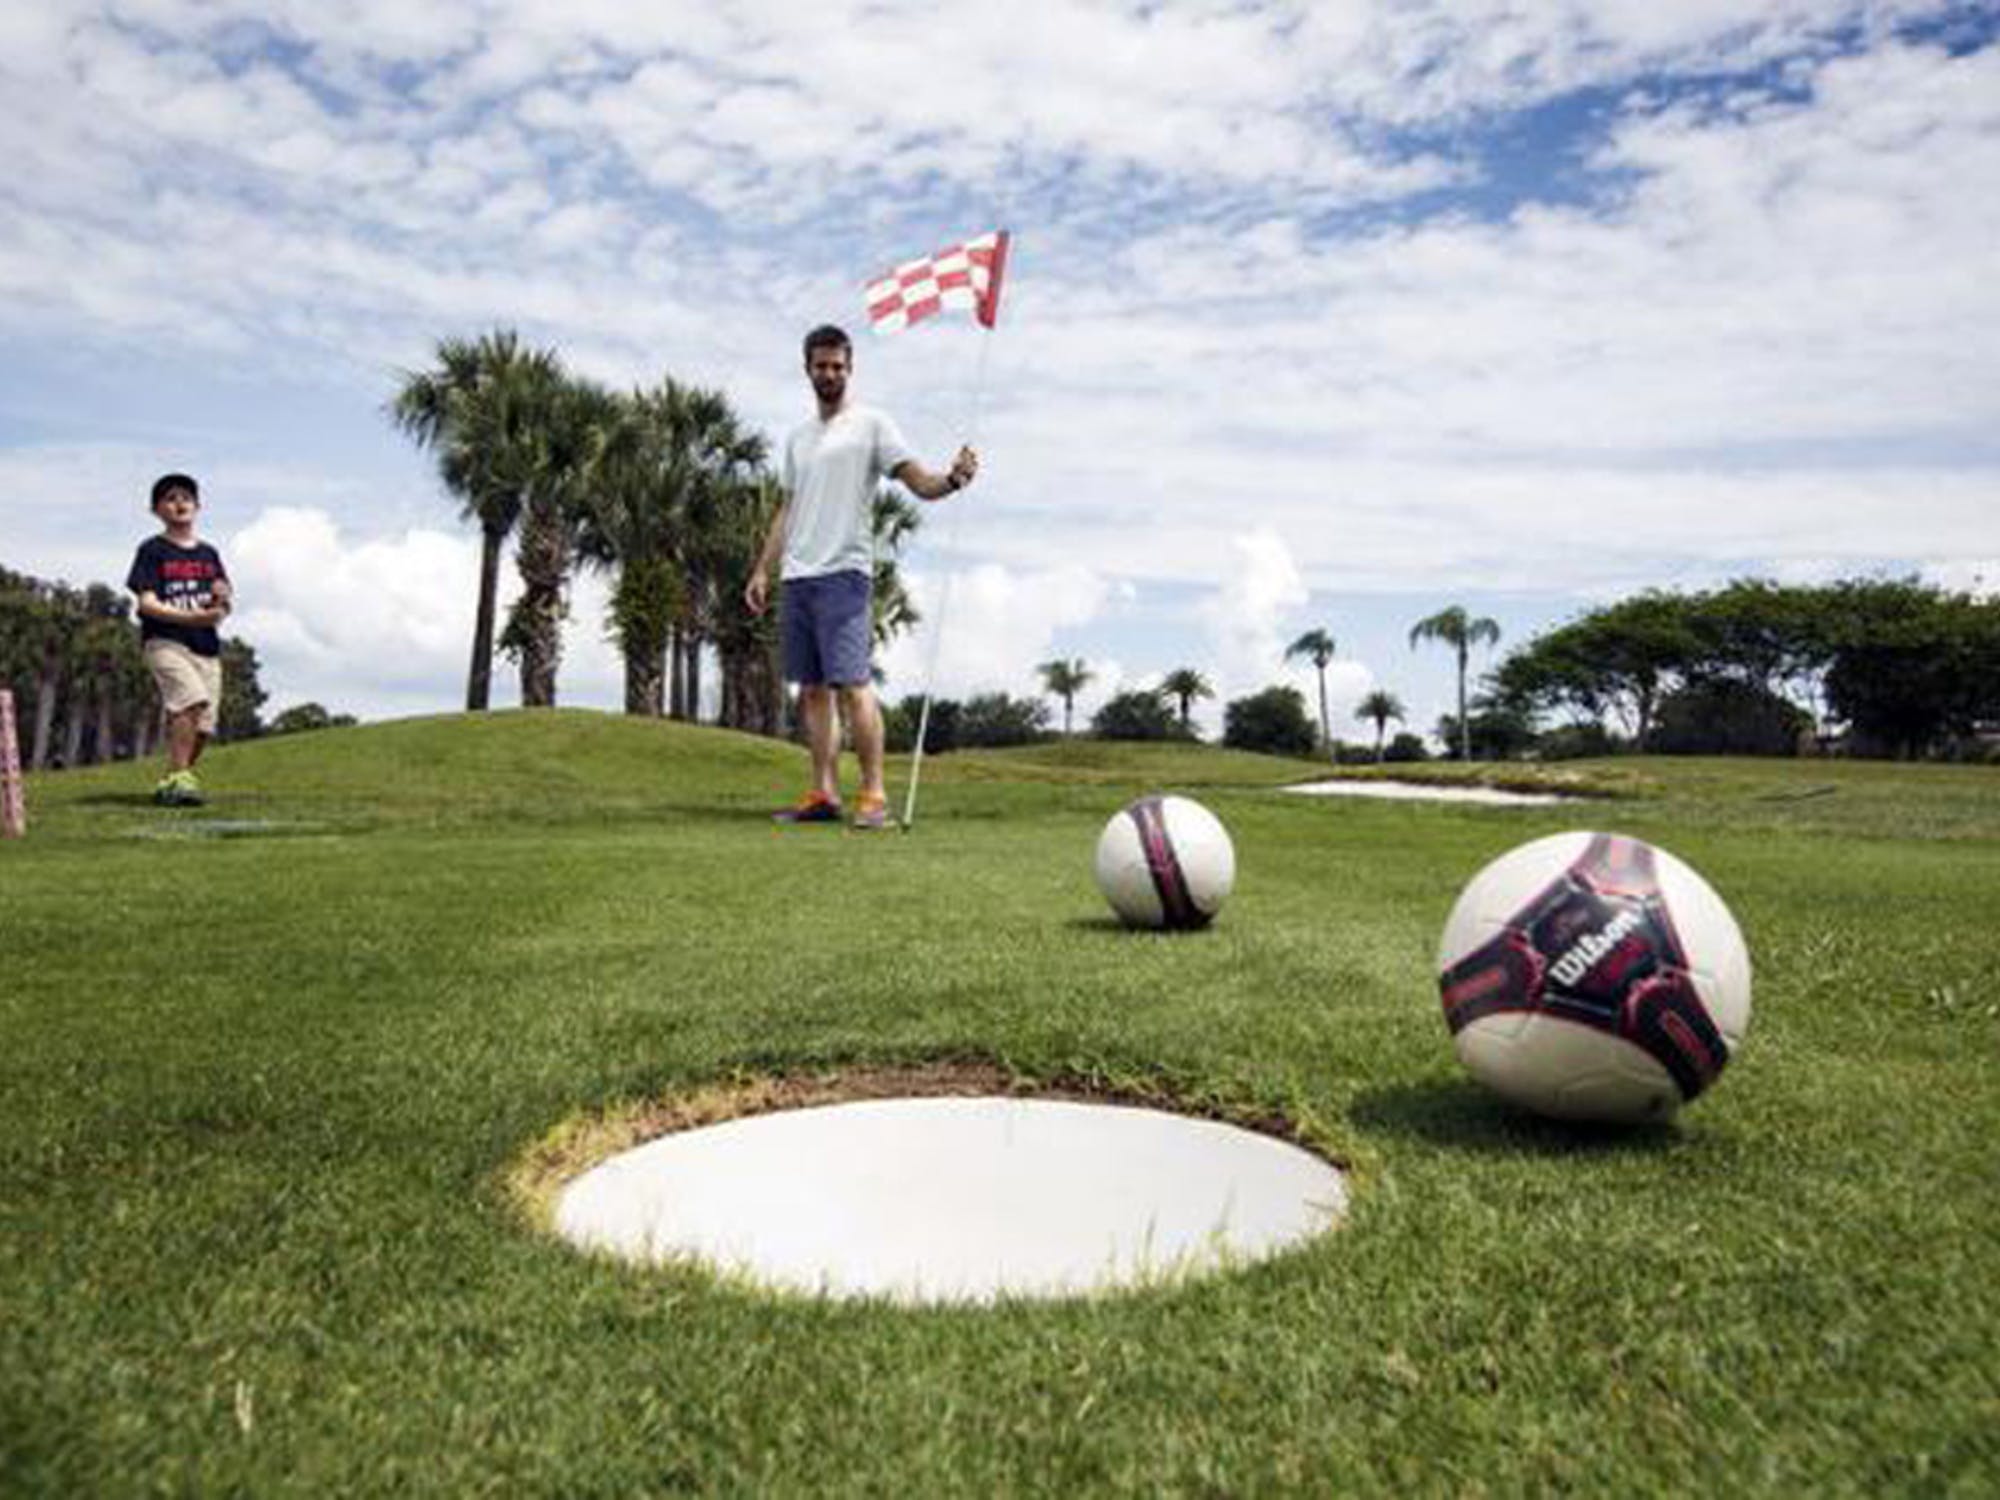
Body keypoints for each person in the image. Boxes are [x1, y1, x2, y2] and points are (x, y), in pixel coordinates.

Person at [746, 324, 978, 830]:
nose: (829, 373)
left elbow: (918, 481)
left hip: (845, 573)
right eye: (820, 365)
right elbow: (787, 509)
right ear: (807, 368)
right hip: (797, 578)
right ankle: (823, 794)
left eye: (837, 366)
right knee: (811, 690)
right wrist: (763, 569)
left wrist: (953, 479)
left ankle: (873, 798)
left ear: (849, 369)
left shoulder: (873, 424)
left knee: (853, 684)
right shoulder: (797, 439)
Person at [127, 472, 232, 806]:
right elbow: (146, 602)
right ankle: (179, 780)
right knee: (190, 699)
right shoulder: (152, 550)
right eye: (170, 499)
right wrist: (190, 617)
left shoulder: (209, 553)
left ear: (198, 505)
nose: (180, 504)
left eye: (186, 497)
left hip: (206, 646)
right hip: (165, 641)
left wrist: (220, 602)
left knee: (204, 725)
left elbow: (222, 601)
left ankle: (174, 779)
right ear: (156, 510)